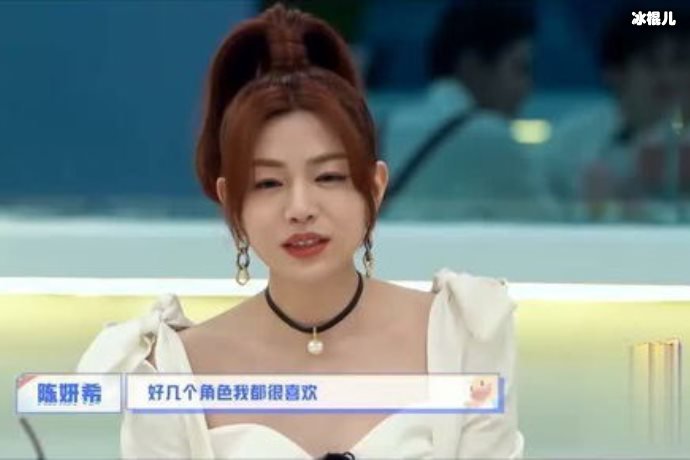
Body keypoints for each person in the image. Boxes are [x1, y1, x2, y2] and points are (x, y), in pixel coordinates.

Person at [76, 4, 523, 459]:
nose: (300, 209)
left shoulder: (465, 335)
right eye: (268, 183)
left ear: (374, 187)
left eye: (328, 177)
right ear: (231, 201)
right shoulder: (174, 371)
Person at [380, 0, 556, 221]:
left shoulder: (388, 127)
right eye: (520, 68)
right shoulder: (491, 138)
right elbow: (548, 223)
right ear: (472, 65)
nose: (527, 87)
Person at [544, 4, 684, 221]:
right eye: (651, 63)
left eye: (679, 62)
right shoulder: (569, 144)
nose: (668, 77)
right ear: (614, 72)